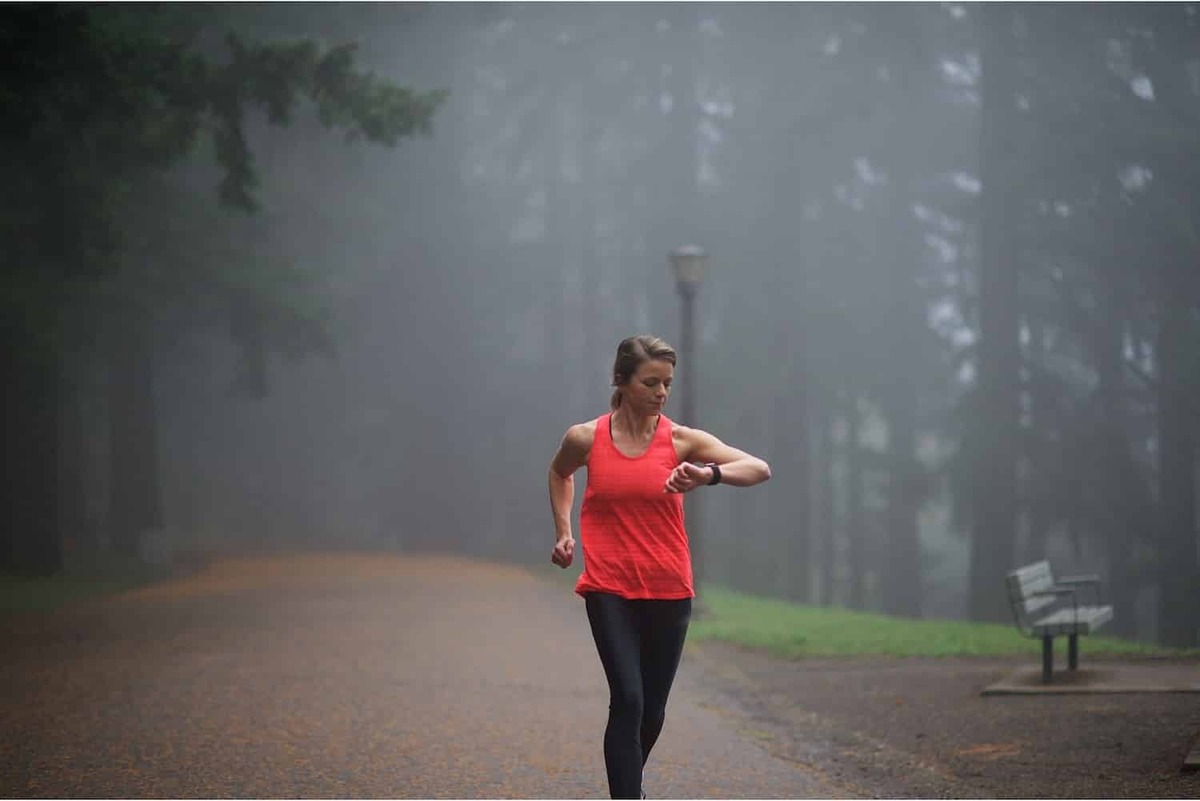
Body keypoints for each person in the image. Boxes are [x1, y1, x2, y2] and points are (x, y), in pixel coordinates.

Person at [547, 334, 771, 800]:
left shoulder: (682, 440)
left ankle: (630, 785)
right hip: (608, 587)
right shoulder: (586, 438)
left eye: (667, 383)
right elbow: (560, 473)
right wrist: (564, 530)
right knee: (627, 699)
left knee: (652, 711)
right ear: (622, 380)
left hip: (669, 589)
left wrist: (709, 474)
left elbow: (758, 468)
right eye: (650, 382)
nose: (661, 392)